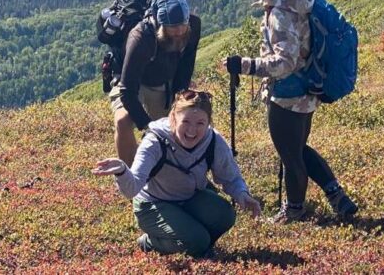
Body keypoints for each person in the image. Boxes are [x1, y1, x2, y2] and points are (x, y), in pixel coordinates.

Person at [223, 0, 358, 223]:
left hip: (288, 92)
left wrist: (245, 65)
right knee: (298, 148)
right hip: (309, 86)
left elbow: (285, 62)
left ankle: (294, 211)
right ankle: (337, 195)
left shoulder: (281, 13)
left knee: (290, 156)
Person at [93, 89, 262, 257]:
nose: (192, 130)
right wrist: (122, 171)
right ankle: (150, 242)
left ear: (208, 123)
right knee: (198, 240)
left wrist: (242, 194)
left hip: (189, 198)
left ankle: (192, 242)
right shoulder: (155, 141)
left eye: (200, 123)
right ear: (173, 118)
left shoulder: (213, 141)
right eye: (186, 121)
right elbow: (132, 188)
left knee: (225, 216)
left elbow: (230, 177)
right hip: (153, 204)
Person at [110, 0, 201, 165]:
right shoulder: (141, 37)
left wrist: (180, 96)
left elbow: (186, 65)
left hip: (164, 81)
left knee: (179, 122)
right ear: (161, 25)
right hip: (131, 82)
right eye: (173, 32)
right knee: (123, 121)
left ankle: (180, 169)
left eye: (182, 29)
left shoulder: (193, 26)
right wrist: (147, 125)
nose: (179, 35)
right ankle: (131, 179)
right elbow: (128, 91)